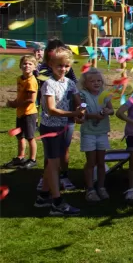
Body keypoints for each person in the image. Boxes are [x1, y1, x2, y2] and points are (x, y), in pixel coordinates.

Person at [35, 47, 83, 216]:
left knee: (51, 163)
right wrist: (74, 114)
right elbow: (50, 110)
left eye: (66, 66)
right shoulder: (49, 84)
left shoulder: (70, 83)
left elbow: (78, 101)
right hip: (50, 128)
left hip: (63, 127)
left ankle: (43, 197)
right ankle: (57, 202)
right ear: (51, 65)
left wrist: (81, 110)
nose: (63, 69)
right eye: (59, 66)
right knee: (54, 165)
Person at [78, 68, 114, 202]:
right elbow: (82, 113)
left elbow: (112, 110)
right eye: (92, 81)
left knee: (101, 162)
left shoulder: (105, 94)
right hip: (89, 133)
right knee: (91, 162)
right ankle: (90, 189)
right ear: (85, 83)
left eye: (99, 80)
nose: (96, 83)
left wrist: (106, 111)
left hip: (102, 132)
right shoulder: (82, 95)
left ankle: (101, 187)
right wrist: (94, 115)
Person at [4, 55, 39, 169]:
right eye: (24, 63)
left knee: (30, 137)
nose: (27, 66)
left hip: (29, 114)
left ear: (35, 67)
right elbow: (20, 96)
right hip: (20, 113)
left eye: (30, 64)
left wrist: (16, 104)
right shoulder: (20, 79)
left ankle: (32, 159)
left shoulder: (31, 81)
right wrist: (14, 102)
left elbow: (31, 99)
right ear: (20, 66)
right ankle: (20, 157)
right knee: (20, 136)